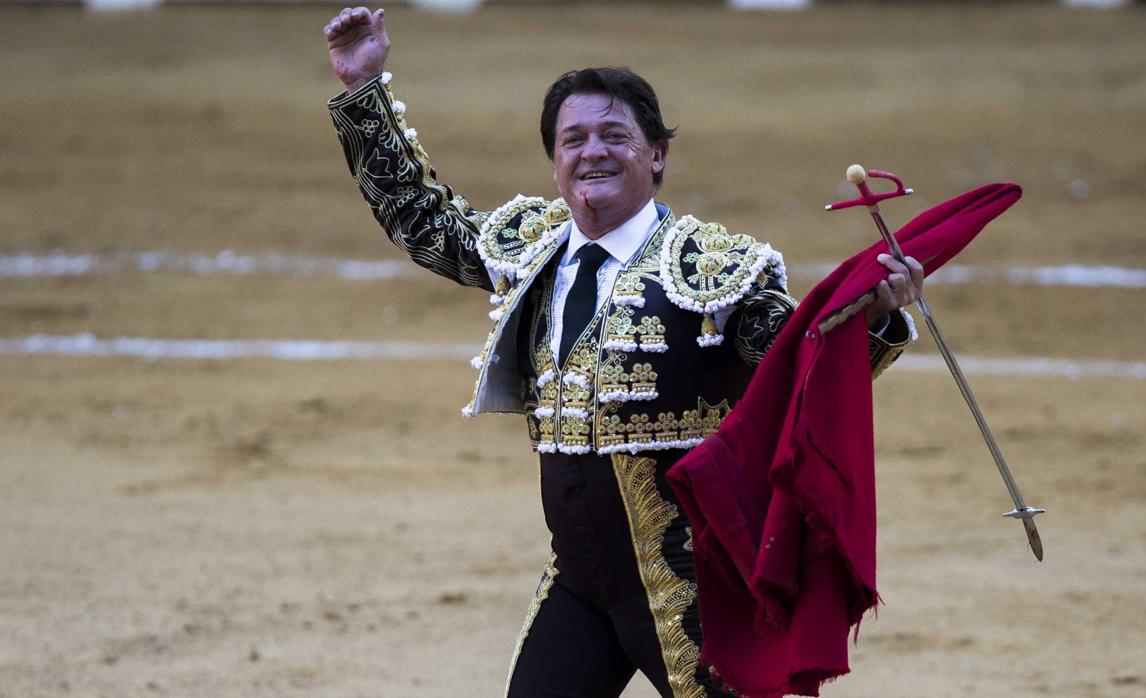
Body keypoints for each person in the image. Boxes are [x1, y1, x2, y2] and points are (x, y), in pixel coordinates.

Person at [323, 7, 924, 696]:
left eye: (615, 135)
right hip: (578, 581)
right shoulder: (532, 249)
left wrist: (873, 317)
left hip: (691, 585)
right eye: (573, 139)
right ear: (555, 161)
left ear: (656, 154)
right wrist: (363, 87)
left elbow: (796, 358)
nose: (593, 152)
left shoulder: (707, 265)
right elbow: (423, 218)